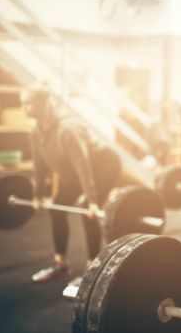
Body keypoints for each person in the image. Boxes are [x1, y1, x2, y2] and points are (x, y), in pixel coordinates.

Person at [21, 83, 122, 283]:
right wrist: (38, 194)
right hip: (73, 173)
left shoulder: (68, 129)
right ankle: (61, 264)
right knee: (56, 207)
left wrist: (93, 201)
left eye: (29, 103)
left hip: (104, 166)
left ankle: (92, 269)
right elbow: (39, 166)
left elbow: (83, 166)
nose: (24, 107)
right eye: (23, 103)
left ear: (46, 104)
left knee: (87, 210)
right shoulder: (35, 132)